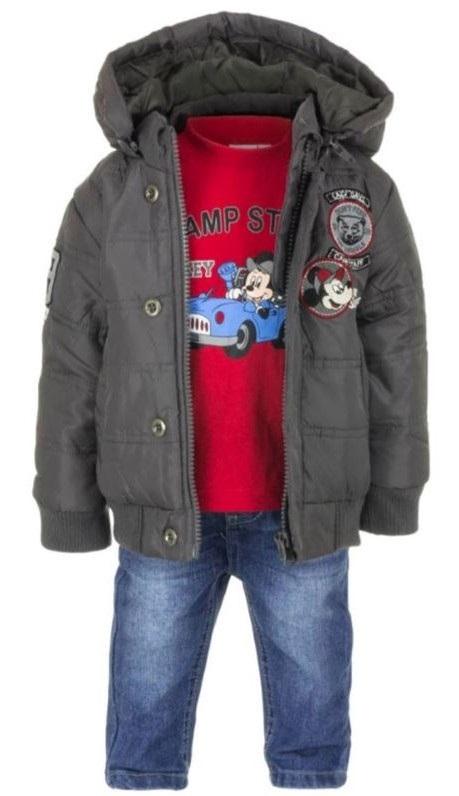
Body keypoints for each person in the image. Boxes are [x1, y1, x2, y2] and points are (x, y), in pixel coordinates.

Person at [33, 11, 429, 790]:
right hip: (160, 508)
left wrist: (394, 488)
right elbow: (72, 353)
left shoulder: (354, 190)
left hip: (302, 509)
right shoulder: (112, 193)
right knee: (142, 744)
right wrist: (67, 503)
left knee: (312, 742)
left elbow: (396, 346)